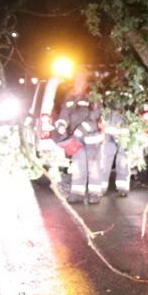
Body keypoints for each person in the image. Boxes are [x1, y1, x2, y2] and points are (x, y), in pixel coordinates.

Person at [55, 68, 106, 204]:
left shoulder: (92, 95)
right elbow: (64, 113)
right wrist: (61, 125)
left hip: (91, 136)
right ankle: (77, 193)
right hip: (76, 138)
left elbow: (94, 116)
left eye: (80, 80)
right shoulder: (69, 96)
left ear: (84, 81)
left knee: (93, 164)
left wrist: (80, 130)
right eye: (76, 79)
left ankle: (95, 193)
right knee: (78, 164)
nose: (78, 82)